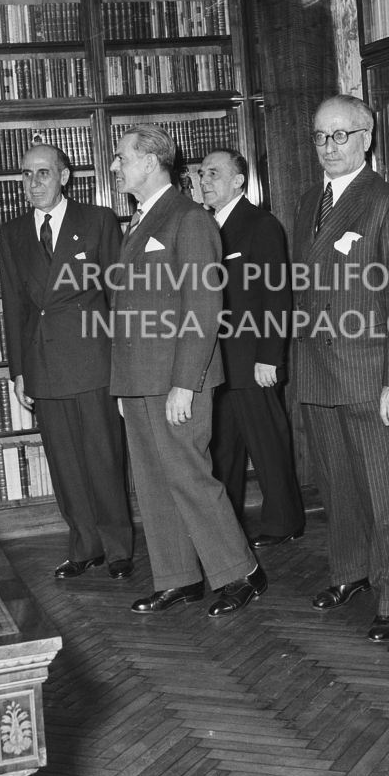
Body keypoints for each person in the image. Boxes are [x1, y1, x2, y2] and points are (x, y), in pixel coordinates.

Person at [108, 124, 266, 617]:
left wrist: (185, 383)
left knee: (191, 478)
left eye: (122, 158)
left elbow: (202, 306)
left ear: (152, 161)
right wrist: (124, 385)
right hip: (139, 378)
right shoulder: (136, 222)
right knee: (154, 481)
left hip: (178, 378)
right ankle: (178, 577)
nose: (115, 167)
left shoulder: (189, 220)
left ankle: (242, 572)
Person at [291, 94, 389, 643]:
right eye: (321, 136)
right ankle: (350, 573)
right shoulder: (308, 203)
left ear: (367, 138)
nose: (329, 147)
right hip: (319, 371)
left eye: (340, 135)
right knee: (338, 487)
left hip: (372, 377)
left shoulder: (387, 205)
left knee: (386, 491)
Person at [0, 142, 133, 581]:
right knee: (64, 461)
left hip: (94, 359)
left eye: (42, 173)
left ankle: (117, 549)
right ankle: (84, 545)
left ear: (64, 176)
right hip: (44, 365)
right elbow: (14, 306)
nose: (33, 183)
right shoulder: (13, 233)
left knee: (103, 456)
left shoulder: (97, 221)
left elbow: (121, 296)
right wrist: (18, 372)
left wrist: (124, 366)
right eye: (26, 174)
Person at [198, 148, 304, 546]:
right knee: (222, 453)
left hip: (253, 361)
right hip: (216, 364)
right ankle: (226, 531)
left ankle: (285, 523)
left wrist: (269, 358)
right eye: (201, 174)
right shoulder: (204, 226)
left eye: (214, 173)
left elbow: (278, 296)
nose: (204, 181)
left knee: (267, 446)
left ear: (239, 180)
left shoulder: (260, 225)